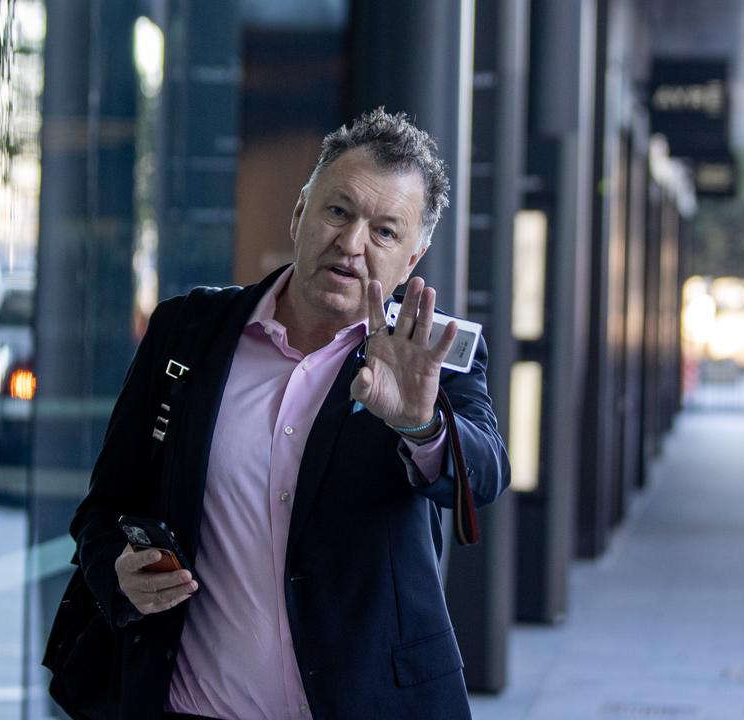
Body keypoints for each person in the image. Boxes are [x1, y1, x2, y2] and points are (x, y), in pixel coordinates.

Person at [55, 109, 510, 719]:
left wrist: (418, 425)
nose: (351, 244)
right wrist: (119, 571)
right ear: (301, 213)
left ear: (413, 258)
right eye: (338, 211)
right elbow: (104, 506)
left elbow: (484, 476)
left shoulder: (430, 352)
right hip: (193, 707)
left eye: (383, 231)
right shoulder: (188, 331)